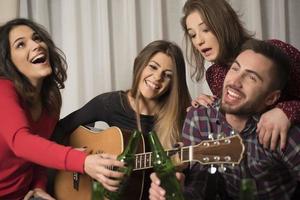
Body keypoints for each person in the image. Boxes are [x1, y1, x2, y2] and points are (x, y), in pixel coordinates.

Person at [149, 39, 300, 200]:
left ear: (271, 98)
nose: (235, 82)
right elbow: (201, 187)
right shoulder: (199, 118)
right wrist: (177, 195)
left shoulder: (283, 131)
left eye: (251, 78)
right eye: (235, 69)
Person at [0, 18, 125, 200]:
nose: (36, 45)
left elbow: (39, 153)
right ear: (8, 62)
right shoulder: (3, 90)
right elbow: (22, 143)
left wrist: (39, 186)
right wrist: (82, 161)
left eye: (37, 38)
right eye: (21, 44)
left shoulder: (50, 101)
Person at [52, 40, 191, 199]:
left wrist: (182, 168)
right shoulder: (109, 103)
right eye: (153, 67)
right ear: (140, 64)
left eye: (167, 75)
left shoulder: (179, 119)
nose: (157, 77)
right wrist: (78, 159)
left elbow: (188, 182)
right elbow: (58, 131)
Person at [181, 0, 300, 151]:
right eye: (192, 35)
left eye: (205, 30)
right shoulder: (214, 74)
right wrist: (209, 107)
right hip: (262, 159)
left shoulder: (275, 52)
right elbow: (240, 120)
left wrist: (286, 111)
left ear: (224, 24)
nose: (199, 41)